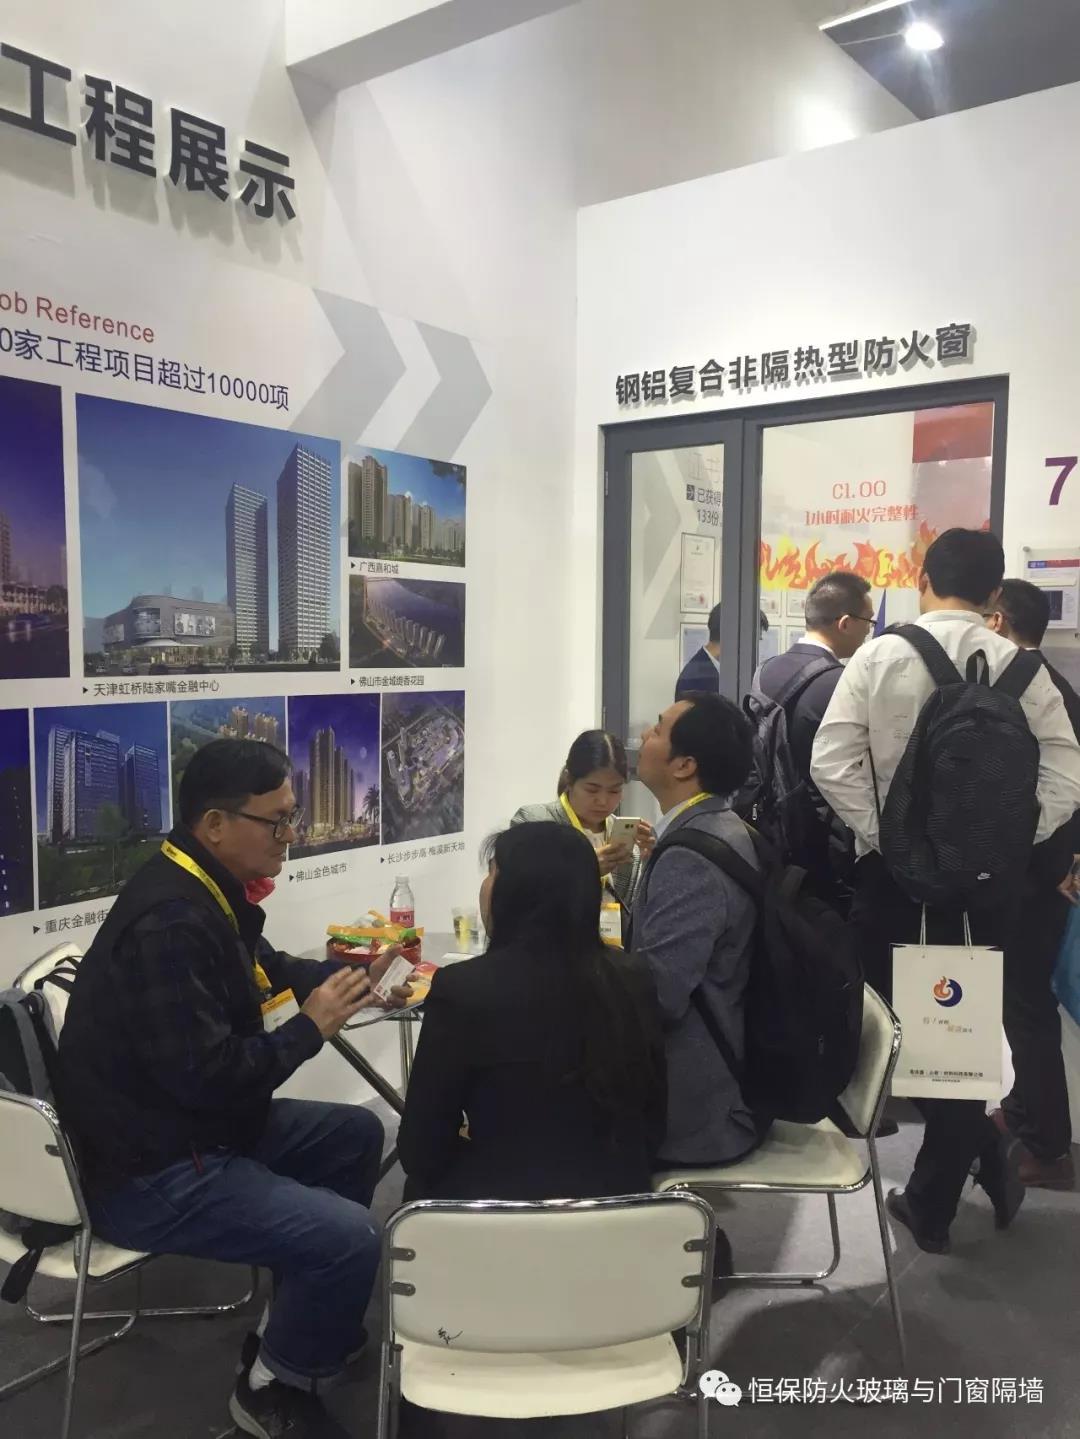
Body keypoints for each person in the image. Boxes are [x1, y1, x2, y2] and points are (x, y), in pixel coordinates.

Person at [57, 740, 411, 1439]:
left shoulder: (203, 887)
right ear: (215, 823)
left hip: (184, 1130)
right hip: (147, 1169)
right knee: (350, 1238)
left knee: (356, 1133)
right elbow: (209, 1079)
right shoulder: (170, 921)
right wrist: (309, 1028)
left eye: (292, 817)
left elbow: (267, 969)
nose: (290, 835)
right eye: (277, 821)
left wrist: (349, 980)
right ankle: (270, 1386)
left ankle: (303, 1323)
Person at [812, 529, 1080, 1253]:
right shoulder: (1022, 667)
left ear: (922, 579)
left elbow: (830, 762)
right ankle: (975, 1159)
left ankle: (939, 1193)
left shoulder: (880, 655)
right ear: (995, 595)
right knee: (958, 1027)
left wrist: (892, 838)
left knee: (894, 1030)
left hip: (893, 882)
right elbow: (1066, 777)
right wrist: (1003, 844)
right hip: (988, 888)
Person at [397, 822, 666, 1199]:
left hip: (502, 1210)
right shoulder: (633, 976)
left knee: (418, 1189)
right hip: (617, 1205)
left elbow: (420, 1149)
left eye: (492, 872)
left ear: (512, 893)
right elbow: (653, 1121)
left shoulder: (464, 989)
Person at [630, 692, 763, 1167]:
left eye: (658, 728)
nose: (644, 735)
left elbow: (659, 996)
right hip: (714, 1077)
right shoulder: (721, 827)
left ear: (684, 765)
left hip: (690, 1109)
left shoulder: (691, 856)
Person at [985, 578, 1080, 1187]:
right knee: (1019, 1003)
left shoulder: (1031, 690)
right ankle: (1024, 1112)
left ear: (997, 621)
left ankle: (1047, 1146)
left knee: (1026, 1006)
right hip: (1042, 873)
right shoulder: (1054, 686)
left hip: (1035, 877)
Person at [754, 571, 875, 903]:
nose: (869, 631)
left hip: (770, 830)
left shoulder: (765, 670)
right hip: (822, 841)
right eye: (869, 621)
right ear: (845, 623)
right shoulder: (841, 683)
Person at [511, 729, 653, 912]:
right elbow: (518, 894)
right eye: (592, 789)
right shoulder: (533, 823)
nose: (602, 801)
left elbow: (635, 914)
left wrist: (651, 862)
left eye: (614, 791)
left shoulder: (626, 845)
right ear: (569, 780)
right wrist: (583, 870)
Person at [676, 603, 770, 699]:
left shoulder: (724, 671)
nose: (755, 648)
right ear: (735, 635)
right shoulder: (694, 681)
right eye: (754, 641)